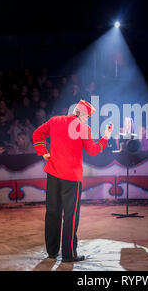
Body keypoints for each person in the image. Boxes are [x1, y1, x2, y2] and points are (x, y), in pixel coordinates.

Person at [32, 99, 113, 262]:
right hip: (71, 178)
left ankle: (52, 252)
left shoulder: (55, 121)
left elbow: (37, 134)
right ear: (84, 116)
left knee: (52, 213)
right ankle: (69, 254)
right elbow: (93, 150)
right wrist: (106, 137)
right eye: (87, 117)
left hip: (53, 174)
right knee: (70, 216)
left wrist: (43, 152)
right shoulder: (84, 128)